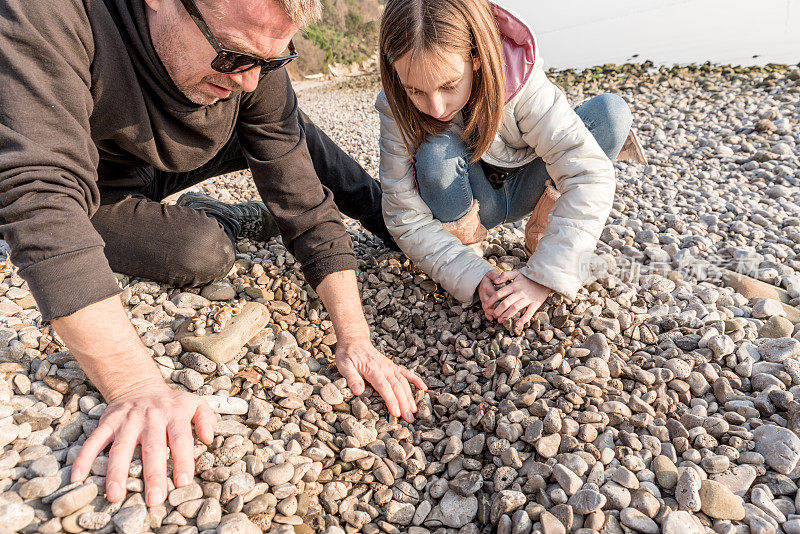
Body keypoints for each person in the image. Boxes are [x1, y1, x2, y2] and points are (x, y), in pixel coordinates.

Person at [0, 0, 424, 508]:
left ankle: (401, 226)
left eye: (272, 60)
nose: (249, 80)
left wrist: (356, 338)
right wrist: (136, 385)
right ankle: (218, 217)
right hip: (92, 183)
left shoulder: (252, 55)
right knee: (203, 251)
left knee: (293, 131)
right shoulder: (47, 12)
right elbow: (39, 195)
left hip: (170, 159)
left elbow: (305, 202)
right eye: (233, 58)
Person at [376, 0, 648, 329]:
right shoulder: (395, 107)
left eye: (448, 85)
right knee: (434, 152)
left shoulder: (519, 79)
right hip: (470, 202)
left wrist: (543, 276)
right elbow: (404, 217)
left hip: (532, 187)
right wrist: (473, 275)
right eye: (414, 90)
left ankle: (544, 233)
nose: (435, 107)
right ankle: (468, 242)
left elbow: (588, 173)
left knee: (611, 113)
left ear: (475, 57)